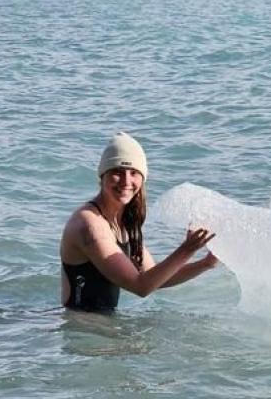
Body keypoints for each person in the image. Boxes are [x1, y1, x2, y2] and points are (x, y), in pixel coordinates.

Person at [60, 132, 217, 311]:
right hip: (80, 329)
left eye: (134, 173)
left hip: (100, 326)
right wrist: (187, 249)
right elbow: (141, 286)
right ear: (102, 176)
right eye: (118, 172)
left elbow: (154, 278)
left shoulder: (122, 223)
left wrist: (205, 263)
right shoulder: (90, 225)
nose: (127, 181)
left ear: (142, 179)